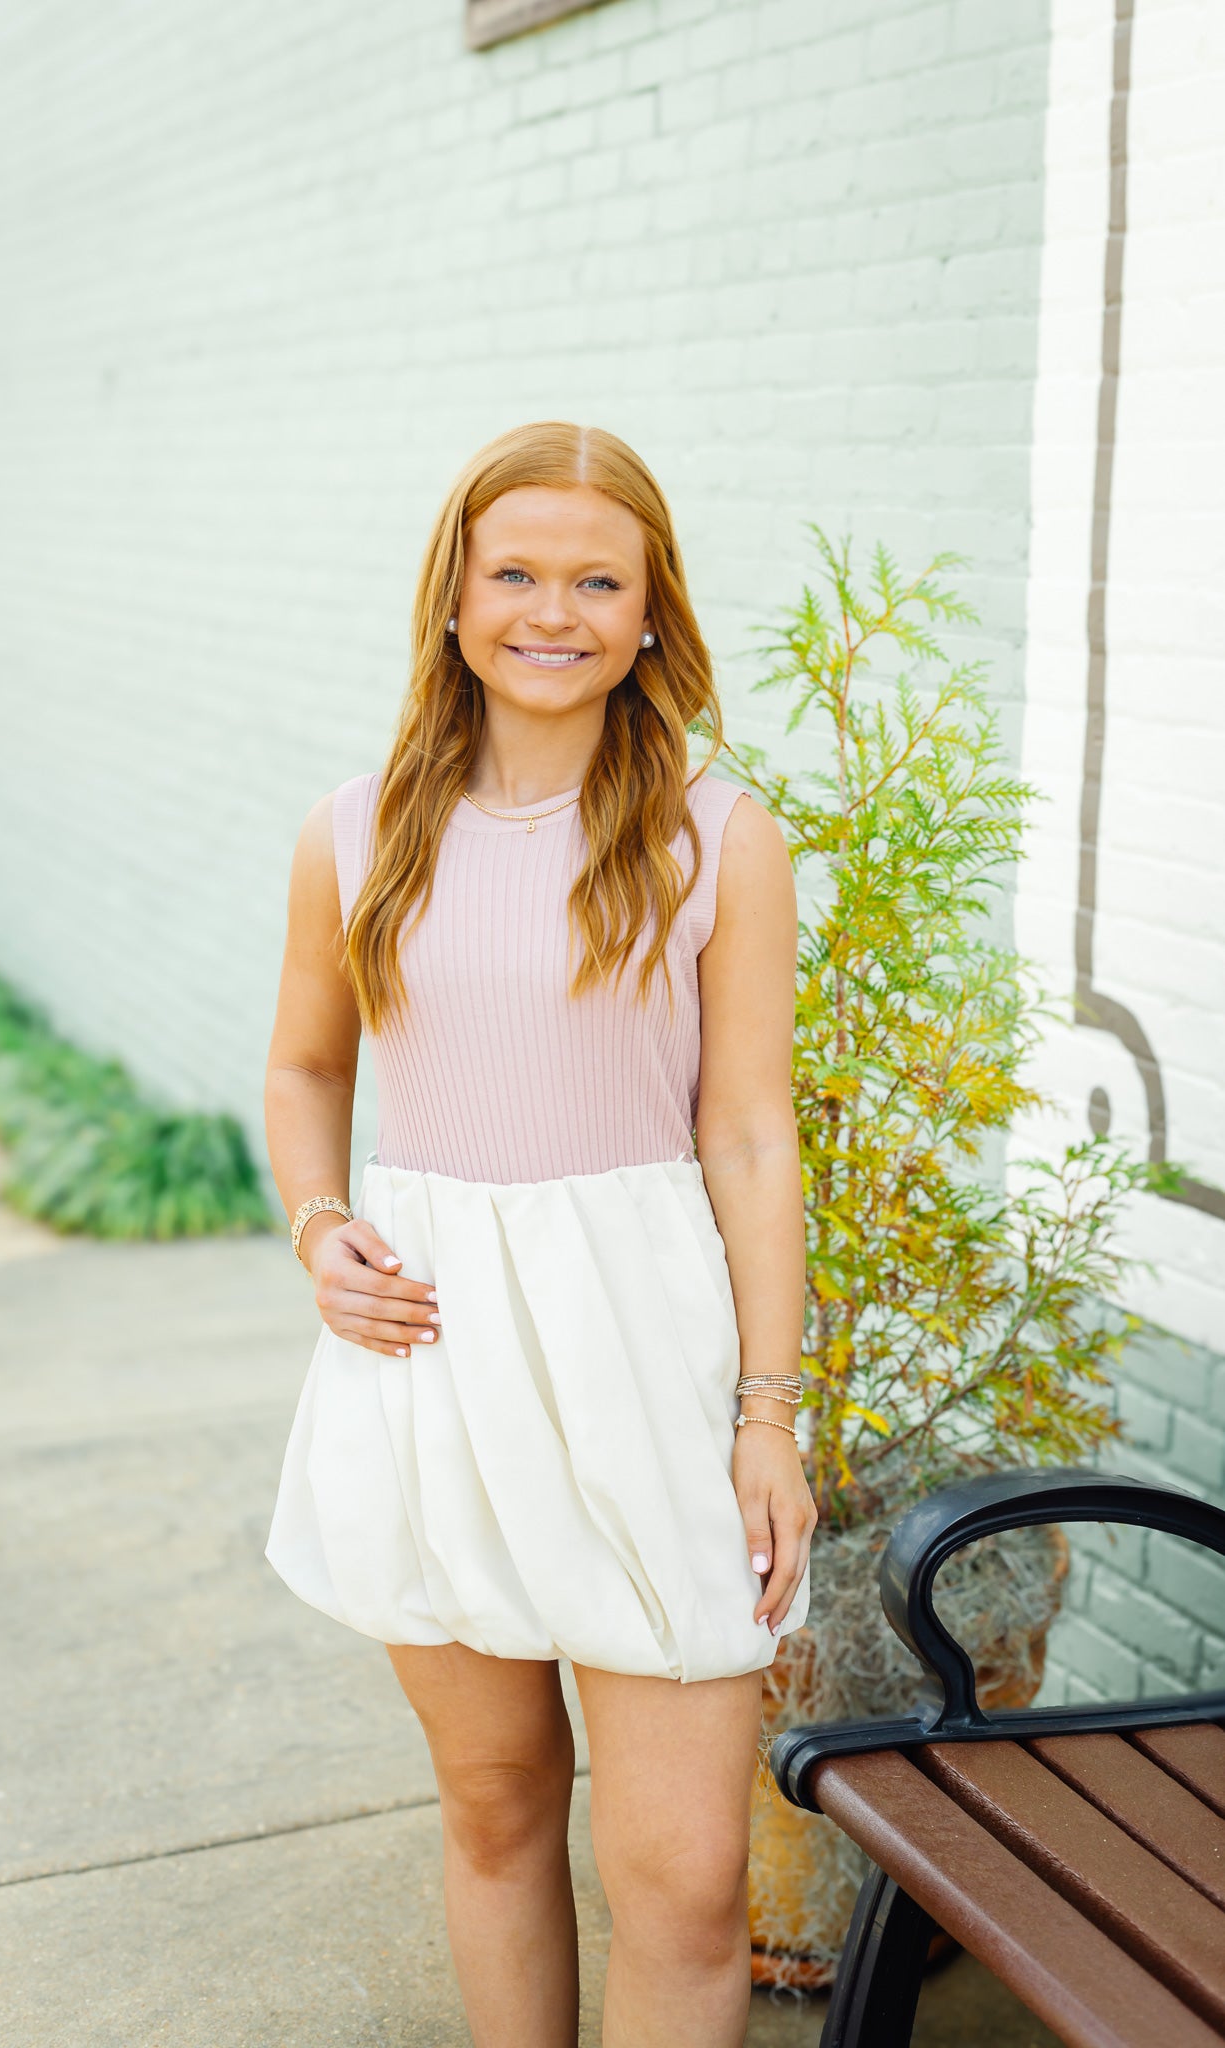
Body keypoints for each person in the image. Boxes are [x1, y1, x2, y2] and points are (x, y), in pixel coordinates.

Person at [262, 420, 815, 2048]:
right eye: (514, 573)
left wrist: (766, 1413)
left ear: (651, 615)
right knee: (496, 1810)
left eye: (597, 581)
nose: (551, 612)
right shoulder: (355, 830)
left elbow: (749, 1134)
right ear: (453, 599)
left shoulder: (718, 834)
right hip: (431, 1362)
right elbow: (305, 1066)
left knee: (683, 1883)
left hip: (645, 1370)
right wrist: (318, 1225)